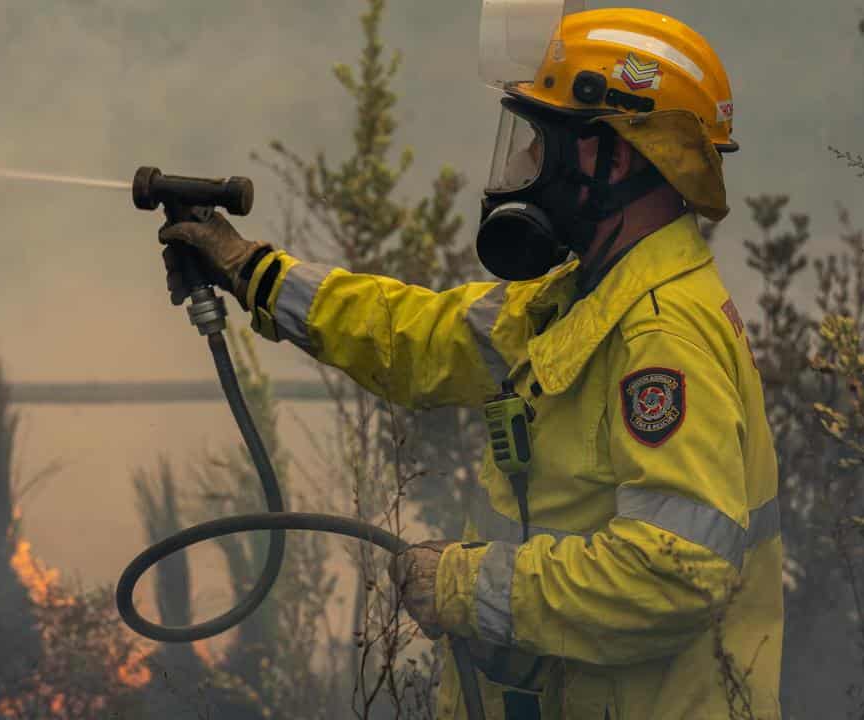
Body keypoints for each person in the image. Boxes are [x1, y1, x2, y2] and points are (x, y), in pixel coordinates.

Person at [157, 7, 781, 720]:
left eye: (537, 145)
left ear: (615, 156)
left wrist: (461, 586)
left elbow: (671, 574)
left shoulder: (663, 335)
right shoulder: (577, 300)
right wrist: (253, 272)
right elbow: (419, 334)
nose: (518, 171)